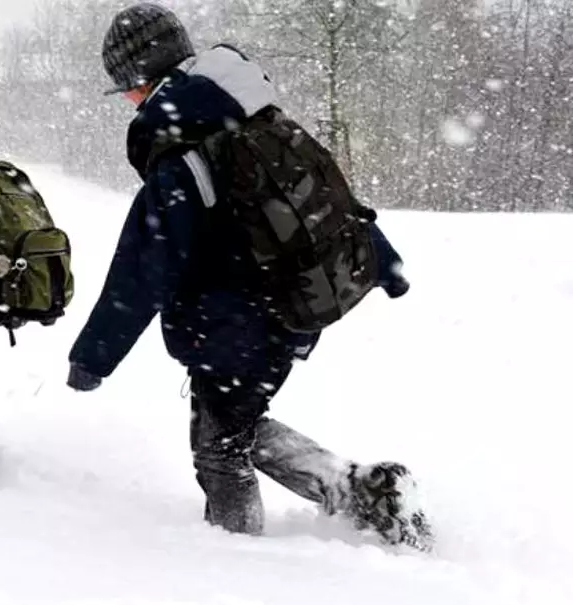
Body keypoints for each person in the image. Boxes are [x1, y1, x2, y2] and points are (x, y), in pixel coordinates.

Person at [66, 3, 432, 550]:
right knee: (236, 424)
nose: (127, 100)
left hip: (235, 323)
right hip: (290, 305)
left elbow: (141, 271)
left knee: (218, 446)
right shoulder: (261, 120)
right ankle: (360, 491)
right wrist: (385, 262)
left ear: (143, 80)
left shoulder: (182, 156)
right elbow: (333, 201)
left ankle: (240, 559)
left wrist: (92, 358)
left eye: (126, 88)